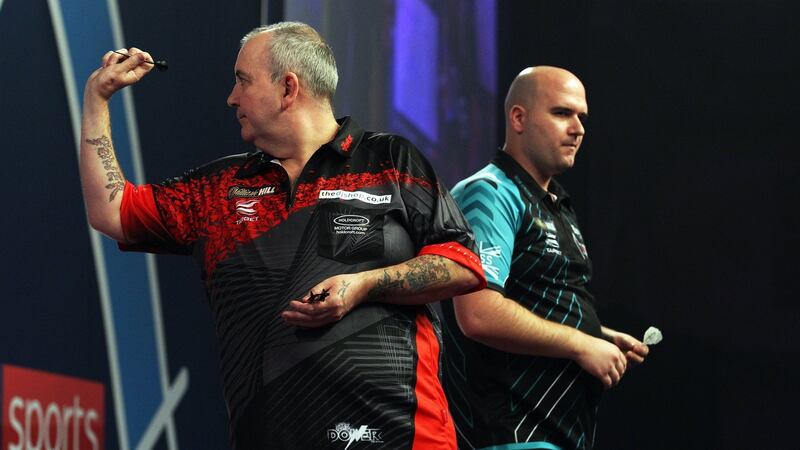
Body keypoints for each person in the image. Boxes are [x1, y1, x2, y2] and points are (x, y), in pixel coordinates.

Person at [79, 21, 485, 449]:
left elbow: (461, 262)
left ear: (288, 89)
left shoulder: (390, 160)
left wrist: (364, 285)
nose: (231, 97)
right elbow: (112, 211)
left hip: (403, 438)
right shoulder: (219, 188)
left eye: (242, 81)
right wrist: (96, 99)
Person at [441, 66, 649, 450]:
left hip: (559, 435)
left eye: (582, 117)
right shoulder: (489, 192)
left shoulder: (557, 206)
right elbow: (478, 313)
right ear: (518, 118)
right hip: (509, 436)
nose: (578, 128)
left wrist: (598, 335)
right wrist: (579, 344)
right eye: (561, 113)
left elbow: (531, 298)